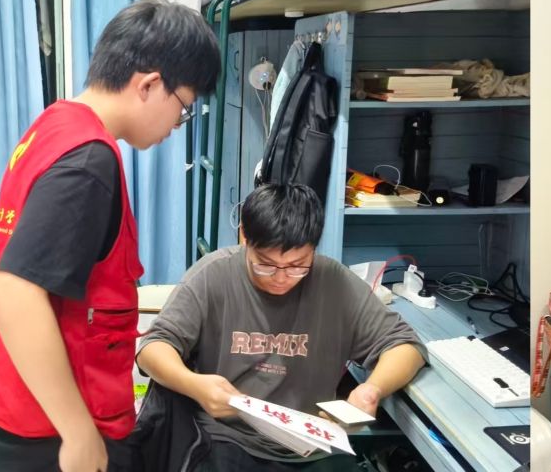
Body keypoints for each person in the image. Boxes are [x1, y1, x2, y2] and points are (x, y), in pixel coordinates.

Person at [0, 0, 219, 472]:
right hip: (47, 428)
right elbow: (13, 293)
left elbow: (5, 257)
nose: (176, 127)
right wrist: (77, 431)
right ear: (149, 84)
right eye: (183, 108)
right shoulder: (88, 162)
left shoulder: (54, 124)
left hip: (13, 397)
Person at [136, 184, 424, 471]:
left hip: (310, 446)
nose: (281, 278)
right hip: (226, 437)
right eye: (266, 265)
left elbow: (405, 345)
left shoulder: (334, 281)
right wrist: (194, 385)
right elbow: (153, 348)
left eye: (298, 265)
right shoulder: (214, 274)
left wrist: (372, 390)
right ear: (244, 236)